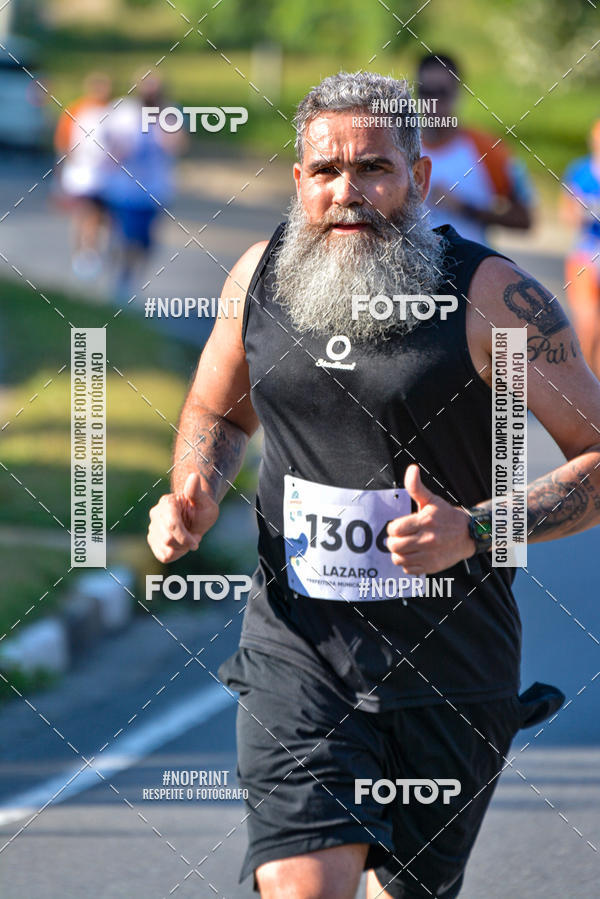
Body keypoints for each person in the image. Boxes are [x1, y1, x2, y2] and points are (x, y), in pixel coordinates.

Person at [147, 71, 600, 898]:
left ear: (419, 178)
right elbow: (217, 412)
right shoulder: (261, 277)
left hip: (452, 667)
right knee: (302, 882)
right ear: (298, 181)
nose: (347, 192)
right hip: (300, 649)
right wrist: (196, 488)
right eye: (325, 172)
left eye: (374, 169)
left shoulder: (490, 294)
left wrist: (477, 527)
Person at [417, 53, 533, 244]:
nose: (434, 102)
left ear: (457, 94)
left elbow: (525, 219)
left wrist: (465, 208)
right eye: (426, 93)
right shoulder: (399, 149)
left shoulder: (489, 149)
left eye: (442, 92)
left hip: (472, 271)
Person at [100, 74, 185, 299]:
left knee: (146, 242)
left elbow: (178, 144)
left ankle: (130, 277)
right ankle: (121, 279)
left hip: (154, 191)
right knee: (126, 237)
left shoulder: (169, 113)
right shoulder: (123, 111)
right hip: (124, 189)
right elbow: (107, 141)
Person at [53, 72, 112, 279]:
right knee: (83, 214)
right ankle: (82, 253)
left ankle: (90, 251)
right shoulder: (77, 110)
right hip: (81, 175)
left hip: (103, 177)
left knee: (97, 217)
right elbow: (63, 142)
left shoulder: (111, 111)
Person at [561, 119, 600, 378]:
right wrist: (582, 212)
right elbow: (566, 213)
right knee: (588, 326)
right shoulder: (580, 171)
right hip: (587, 253)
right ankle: (586, 385)